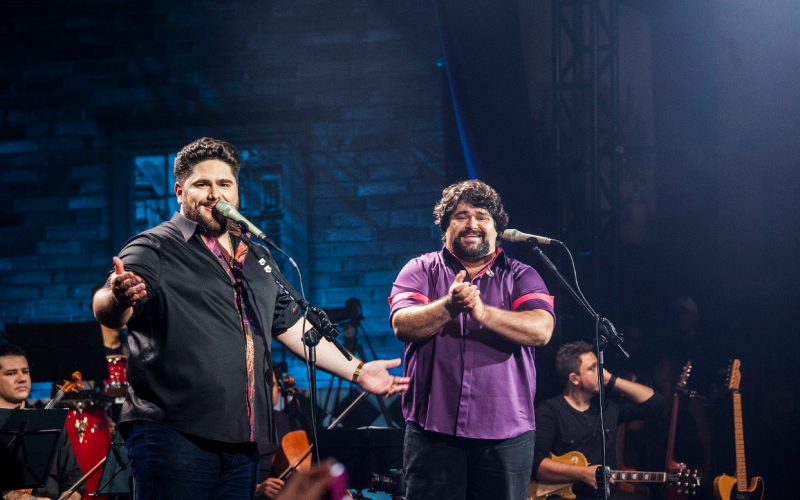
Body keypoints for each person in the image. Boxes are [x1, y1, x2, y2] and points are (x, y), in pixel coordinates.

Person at [92, 137, 408, 500]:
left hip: (244, 442)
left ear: (236, 191)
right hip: (173, 434)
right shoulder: (154, 246)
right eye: (202, 184)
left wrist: (358, 371)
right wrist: (118, 296)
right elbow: (108, 307)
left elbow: (291, 327)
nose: (215, 193)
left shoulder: (256, 256)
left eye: (224, 184)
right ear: (179, 192)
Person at [389, 179, 555, 500]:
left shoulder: (521, 275)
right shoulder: (420, 269)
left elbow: (541, 330)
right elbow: (403, 325)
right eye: (461, 215)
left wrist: (482, 312)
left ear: (497, 229)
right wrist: (450, 305)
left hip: (508, 436)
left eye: (482, 216)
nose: (472, 223)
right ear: (445, 227)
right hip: (431, 432)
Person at [532, 341, 664, 500]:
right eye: (592, 368)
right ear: (574, 378)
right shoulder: (549, 411)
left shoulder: (607, 408)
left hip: (608, 496)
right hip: (570, 496)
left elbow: (655, 403)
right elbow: (538, 465)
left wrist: (611, 379)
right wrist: (584, 473)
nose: (600, 371)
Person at [0, 343, 85, 500]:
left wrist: (70, 496)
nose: (22, 378)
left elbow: (74, 479)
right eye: (11, 373)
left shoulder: (52, 424)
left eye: (25, 371)